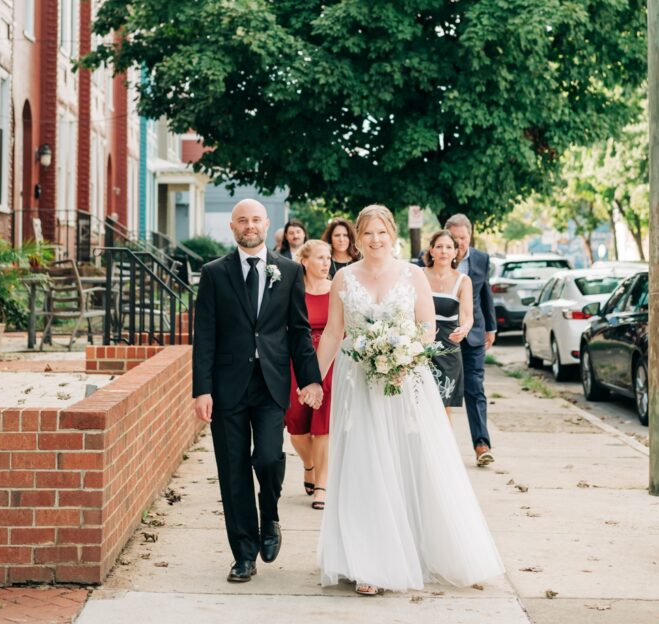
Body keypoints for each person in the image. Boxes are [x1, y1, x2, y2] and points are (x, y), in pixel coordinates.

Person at [316, 204, 503, 595]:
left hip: (404, 378)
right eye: (367, 233)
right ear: (357, 237)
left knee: (407, 461)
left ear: (393, 233)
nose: (375, 240)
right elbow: (334, 333)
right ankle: (367, 561)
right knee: (364, 464)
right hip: (359, 382)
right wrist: (313, 380)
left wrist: (404, 356)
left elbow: (427, 326)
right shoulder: (343, 278)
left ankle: (411, 549)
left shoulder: (412, 274)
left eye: (381, 232)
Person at [192, 199, 323, 584]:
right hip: (226, 386)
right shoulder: (214, 273)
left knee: (267, 458)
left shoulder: (288, 271)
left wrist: (311, 378)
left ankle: (271, 516)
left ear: (268, 224)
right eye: (242, 220)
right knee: (233, 472)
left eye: (255, 220)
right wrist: (202, 390)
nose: (249, 226)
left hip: (271, 383)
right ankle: (244, 553)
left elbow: (299, 331)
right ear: (232, 227)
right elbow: (205, 337)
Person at [444, 213, 497, 467]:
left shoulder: (480, 259)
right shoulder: (435, 256)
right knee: (443, 392)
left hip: (474, 334)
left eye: (463, 238)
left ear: (470, 236)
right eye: (454, 238)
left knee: (475, 389)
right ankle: (442, 448)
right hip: (443, 335)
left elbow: (485, 292)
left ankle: (481, 444)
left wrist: (492, 327)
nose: (459, 243)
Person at [284, 239, 334, 510]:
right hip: (297, 362)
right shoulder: (293, 290)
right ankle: (309, 464)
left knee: (323, 426)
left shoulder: (336, 289)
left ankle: (322, 486)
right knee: (297, 426)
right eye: (320, 258)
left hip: (330, 362)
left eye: (328, 258)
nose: (326, 263)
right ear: (305, 261)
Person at [421, 229, 473, 417]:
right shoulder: (418, 275)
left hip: (447, 350)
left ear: (455, 252)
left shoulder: (463, 281)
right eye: (439, 246)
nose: (444, 251)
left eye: (449, 247)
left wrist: (464, 329)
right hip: (418, 349)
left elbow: (467, 315)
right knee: (417, 407)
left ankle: (443, 447)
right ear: (431, 251)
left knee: (441, 409)